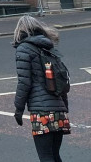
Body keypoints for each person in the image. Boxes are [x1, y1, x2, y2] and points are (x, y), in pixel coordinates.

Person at [12, 15, 70, 162]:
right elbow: (61, 81)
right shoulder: (49, 48)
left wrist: (18, 109)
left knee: (45, 156)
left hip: (41, 112)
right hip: (59, 111)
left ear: (19, 31)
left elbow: (24, 83)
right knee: (55, 155)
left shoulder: (24, 49)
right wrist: (64, 107)